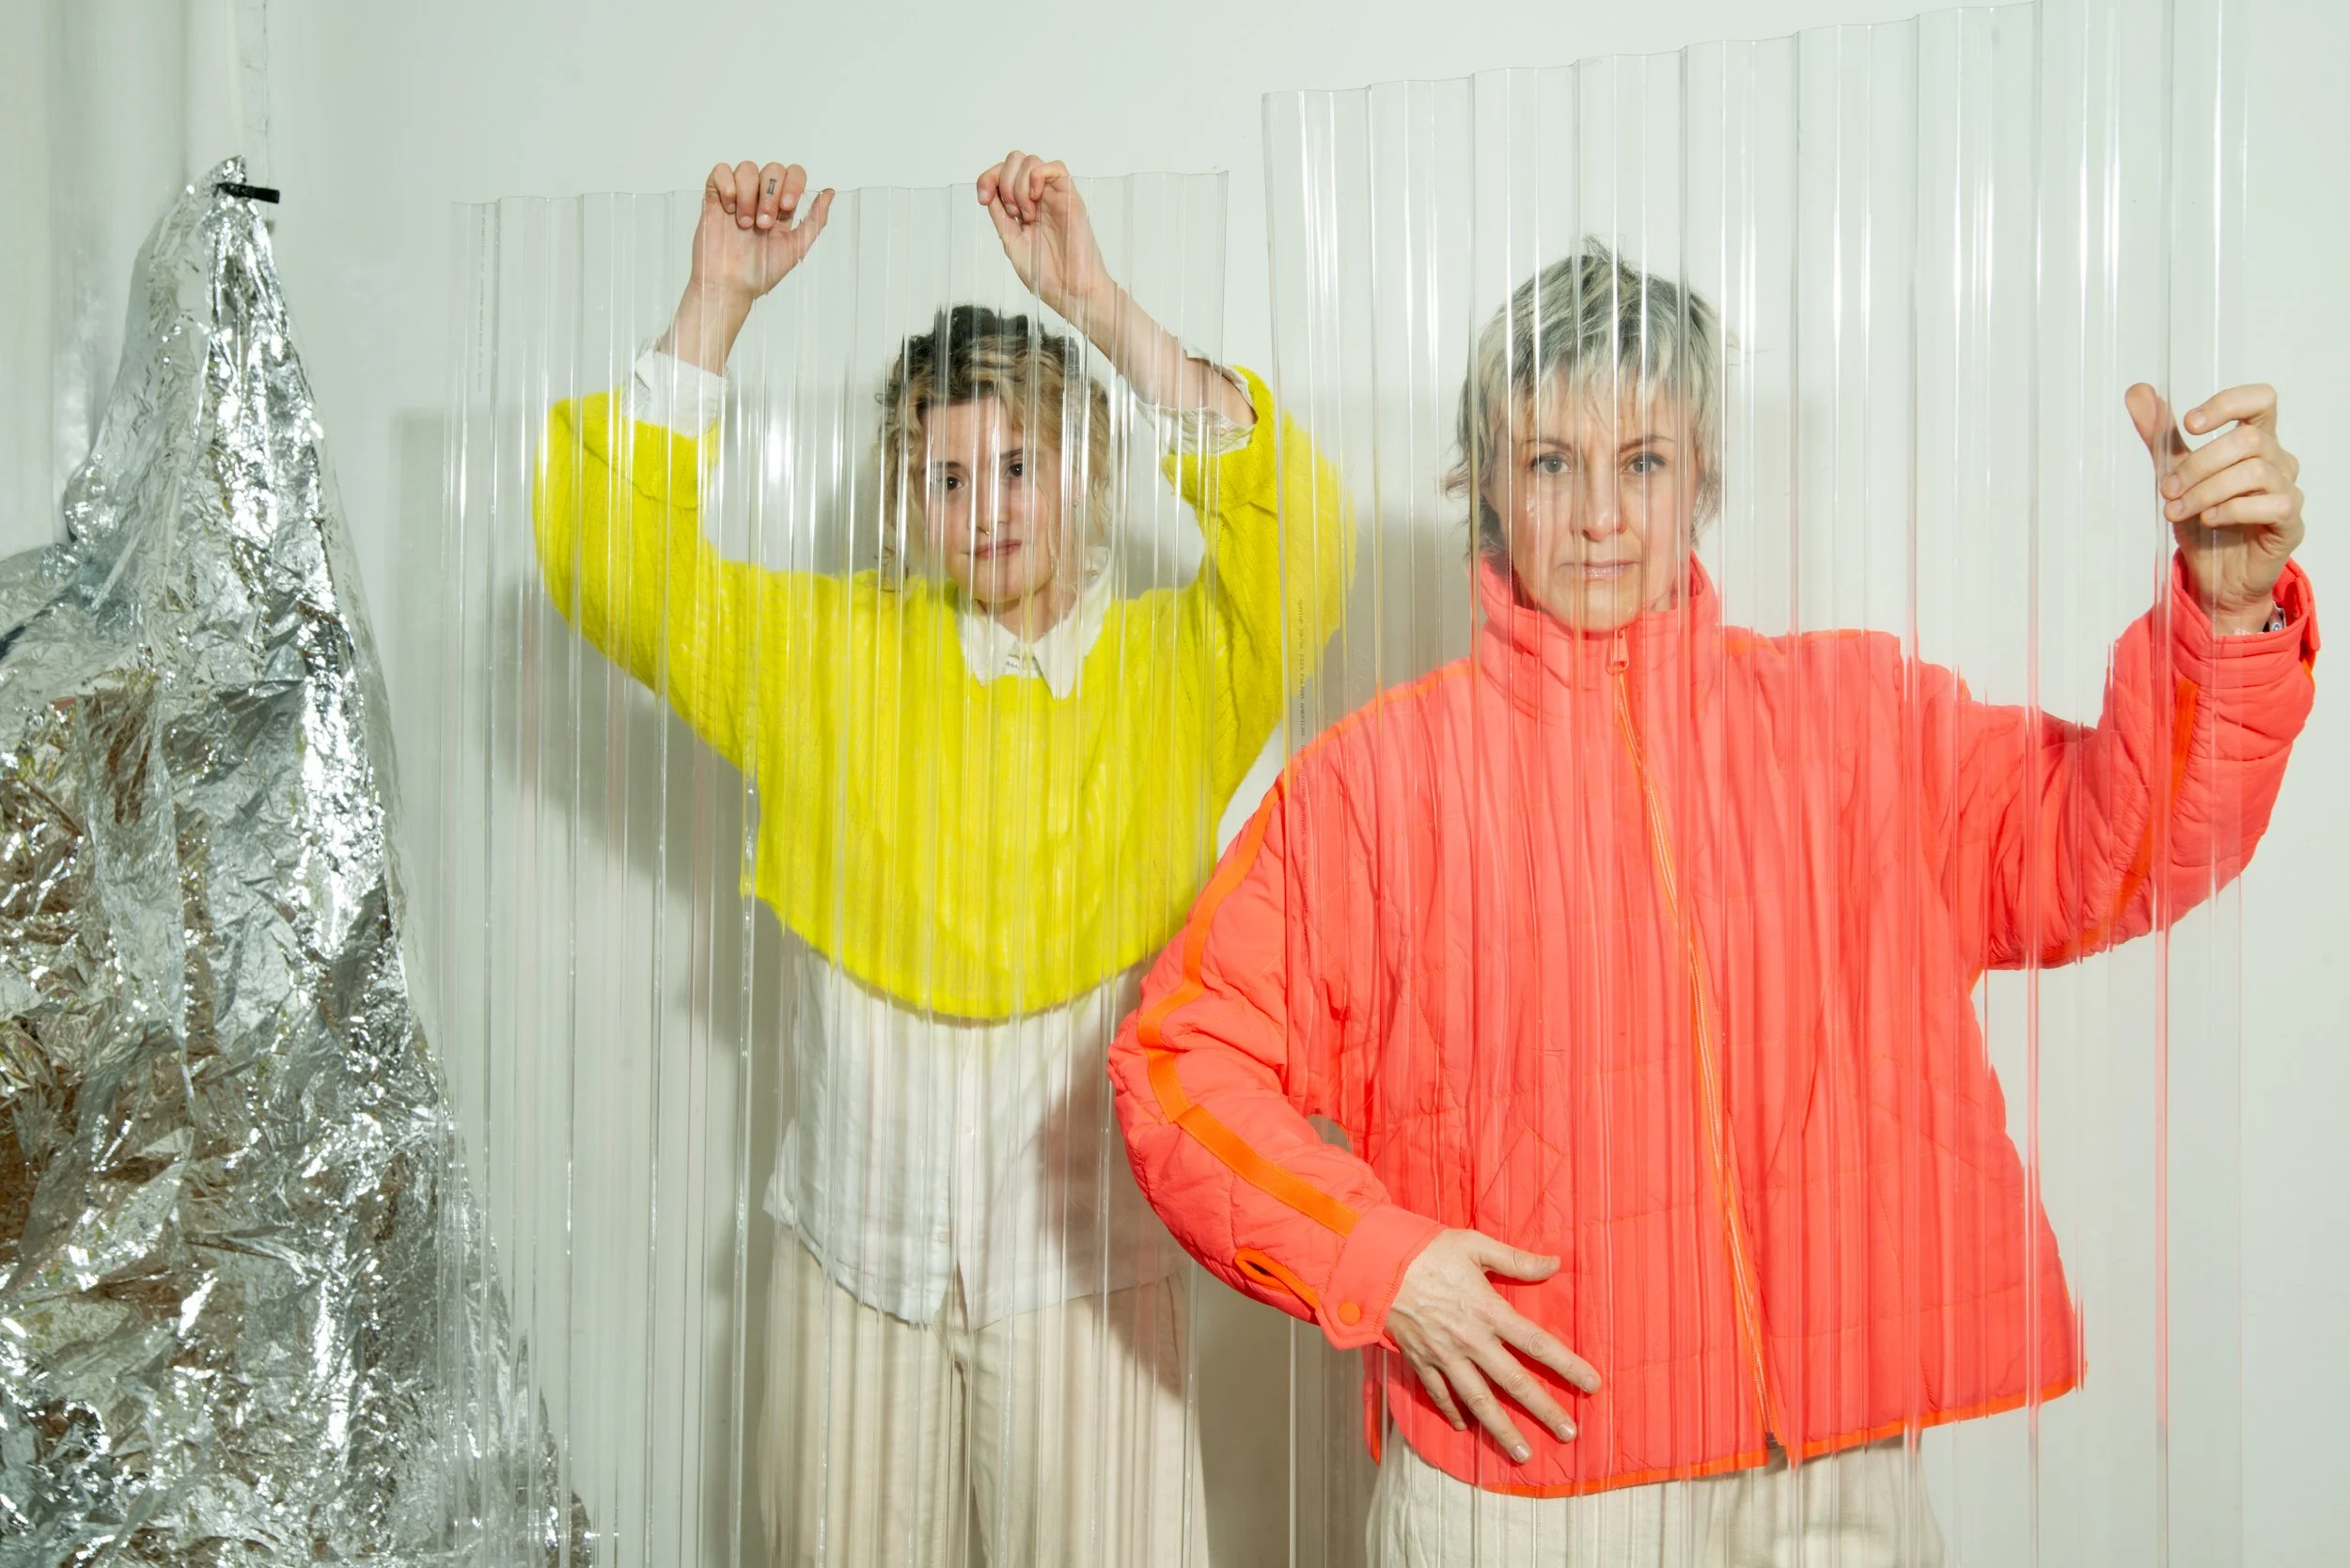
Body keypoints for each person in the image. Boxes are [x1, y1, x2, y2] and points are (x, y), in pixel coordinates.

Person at [1108, 240, 2315, 1566]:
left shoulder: (1859, 722)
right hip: (1524, 1484)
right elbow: (1178, 1064)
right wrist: (1377, 1263)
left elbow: (2112, 854)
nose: (1601, 517)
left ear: (1704, 479)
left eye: (1643, 462)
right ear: (1486, 483)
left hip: (1829, 1488)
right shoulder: (1376, 788)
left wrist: (2227, 619)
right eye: (1550, 462)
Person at [534, 152, 1350, 1566]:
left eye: (1019, 464)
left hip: (1088, 1270)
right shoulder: (825, 656)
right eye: (947, 475)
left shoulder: (1175, 669)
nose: (987, 507)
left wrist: (1101, 308)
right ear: (905, 497)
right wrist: (716, 305)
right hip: (854, 1261)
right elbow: (611, 569)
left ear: (1084, 467)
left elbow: (1308, 549)